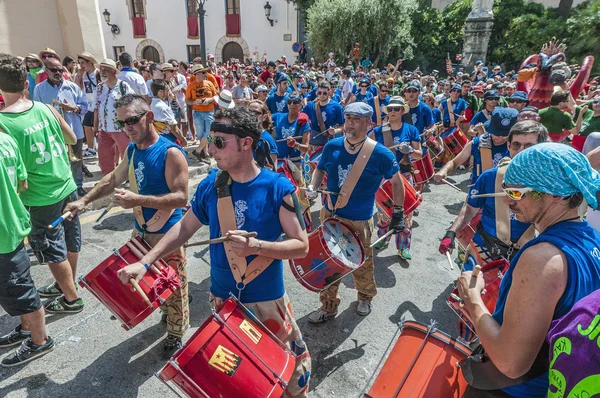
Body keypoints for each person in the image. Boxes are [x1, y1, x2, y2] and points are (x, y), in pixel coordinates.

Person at [117, 105, 311, 396]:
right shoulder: (211, 185)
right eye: (210, 140)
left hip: (266, 303)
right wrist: (144, 263)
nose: (211, 149)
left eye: (220, 142)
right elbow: (183, 229)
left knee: (286, 377)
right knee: (239, 383)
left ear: (247, 143)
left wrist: (256, 246)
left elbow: (301, 245)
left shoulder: (278, 187)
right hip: (222, 301)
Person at [457, 143, 600, 397]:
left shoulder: (541, 259)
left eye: (515, 192)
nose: (508, 201)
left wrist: (473, 300)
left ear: (555, 194)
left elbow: (511, 363)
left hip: (512, 390)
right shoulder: (593, 239)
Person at [65, 94, 190, 353]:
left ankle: (176, 331)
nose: (127, 128)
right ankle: (166, 310)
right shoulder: (133, 149)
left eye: (132, 120)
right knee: (149, 280)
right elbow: (112, 179)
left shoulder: (171, 153)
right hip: (142, 229)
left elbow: (181, 198)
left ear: (150, 117)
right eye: (122, 122)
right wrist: (84, 201)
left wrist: (136, 198)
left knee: (174, 286)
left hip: (168, 232)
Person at [0, 53, 83, 314]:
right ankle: (67, 286)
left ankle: (71, 298)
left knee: (50, 247)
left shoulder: (3, 122)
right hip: (67, 184)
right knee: (70, 239)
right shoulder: (46, 108)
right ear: (26, 82)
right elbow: (71, 138)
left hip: (39, 195)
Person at [306, 102, 404, 322]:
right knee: (328, 262)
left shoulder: (381, 153)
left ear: (369, 123)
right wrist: (313, 186)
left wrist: (398, 212)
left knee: (362, 263)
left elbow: (397, 183)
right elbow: (320, 169)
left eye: (356, 119)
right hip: (330, 215)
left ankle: (365, 297)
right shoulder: (332, 146)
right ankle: (328, 305)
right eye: (348, 118)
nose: (350, 123)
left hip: (359, 219)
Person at [440, 120, 548, 270]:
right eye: (516, 145)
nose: (522, 151)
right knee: (467, 290)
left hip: (526, 254)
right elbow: (470, 210)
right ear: (509, 146)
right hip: (484, 247)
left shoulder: (549, 184)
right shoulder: (489, 177)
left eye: (529, 146)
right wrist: (451, 232)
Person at [0, 132, 54, 367]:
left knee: (20, 289)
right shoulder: (6, 140)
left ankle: (40, 340)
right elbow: (22, 182)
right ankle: (26, 328)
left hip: (3, 233)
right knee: (16, 287)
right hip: (12, 225)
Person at [371, 97, 421, 260]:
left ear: (402, 111)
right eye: (390, 109)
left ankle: (403, 247)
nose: (393, 111)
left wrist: (410, 151)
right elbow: (367, 151)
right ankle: (383, 238)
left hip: (404, 175)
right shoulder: (378, 131)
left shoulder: (411, 130)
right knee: (383, 212)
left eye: (396, 109)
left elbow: (420, 154)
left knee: (405, 213)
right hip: (383, 177)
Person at [34, 56, 89, 197]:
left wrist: (73, 108)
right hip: (53, 133)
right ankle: (65, 186)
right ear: (47, 70)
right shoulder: (40, 89)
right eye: (53, 70)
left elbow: (84, 106)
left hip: (74, 130)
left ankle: (78, 185)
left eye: (59, 70)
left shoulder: (72, 87)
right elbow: (37, 111)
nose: (57, 72)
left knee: (76, 161)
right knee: (59, 161)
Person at [435, 108, 516, 186]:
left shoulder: (518, 147)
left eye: (505, 135)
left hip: (505, 192)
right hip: (480, 190)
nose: (500, 137)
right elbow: (454, 162)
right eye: (496, 134)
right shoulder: (477, 143)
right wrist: (443, 171)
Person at [272, 95, 312, 228]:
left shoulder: (303, 123)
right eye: (289, 102)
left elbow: (306, 147)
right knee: (280, 195)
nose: (292, 104)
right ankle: (285, 224)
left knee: (300, 194)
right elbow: (263, 119)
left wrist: (295, 144)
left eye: (296, 102)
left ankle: (305, 225)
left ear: (301, 105)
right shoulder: (277, 117)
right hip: (278, 163)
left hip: (295, 163)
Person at [94, 59, 135, 175]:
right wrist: (95, 126)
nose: (102, 72)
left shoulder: (123, 86)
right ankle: (109, 179)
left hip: (120, 128)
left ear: (113, 71)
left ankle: (130, 177)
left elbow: (132, 105)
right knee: (104, 156)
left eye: (105, 70)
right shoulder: (99, 88)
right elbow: (96, 107)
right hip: (104, 129)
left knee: (126, 154)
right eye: (101, 70)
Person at [186, 64, 218, 164]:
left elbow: (216, 96)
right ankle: (205, 153)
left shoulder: (209, 83)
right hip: (197, 112)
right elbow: (187, 100)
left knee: (208, 134)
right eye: (204, 72)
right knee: (201, 134)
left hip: (209, 112)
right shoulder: (191, 86)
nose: (206, 74)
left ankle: (198, 151)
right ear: (197, 74)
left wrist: (209, 100)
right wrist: (194, 102)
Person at [302, 81, 345, 153]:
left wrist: (335, 131)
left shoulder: (337, 107)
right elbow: (301, 120)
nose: (322, 95)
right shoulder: (310, 106)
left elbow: (343, 126)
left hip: (328, 144)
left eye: (324, 93)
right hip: (312, 145)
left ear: (329, 92)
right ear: (317, 92)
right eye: (319, 93)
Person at [74, 52, 99, 158]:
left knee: (97, 128)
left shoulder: (98, 73)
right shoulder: (82, 74)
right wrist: (78, 76)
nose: (81, 66)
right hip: (89, 105)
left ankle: (97, 146)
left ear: (90, 62)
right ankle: (91, 148)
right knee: (87, 126)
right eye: (79, 63)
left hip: (98, 104)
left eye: (83, 63)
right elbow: (78, 88)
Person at [150, 79, 187, 145]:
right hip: (168, 140)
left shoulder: (151, 105)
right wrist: (183, 139)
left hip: (156, 140)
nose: (169, 92)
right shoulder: (163, 107)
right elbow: (174, 128)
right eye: (167, 90)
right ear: (161, 92)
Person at [248, 100, 278, 169]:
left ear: (264, 117)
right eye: (249, 112)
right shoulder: (243, 135)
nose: (252, 115)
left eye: (256, 113)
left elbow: (273, 170)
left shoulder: (267, 140)